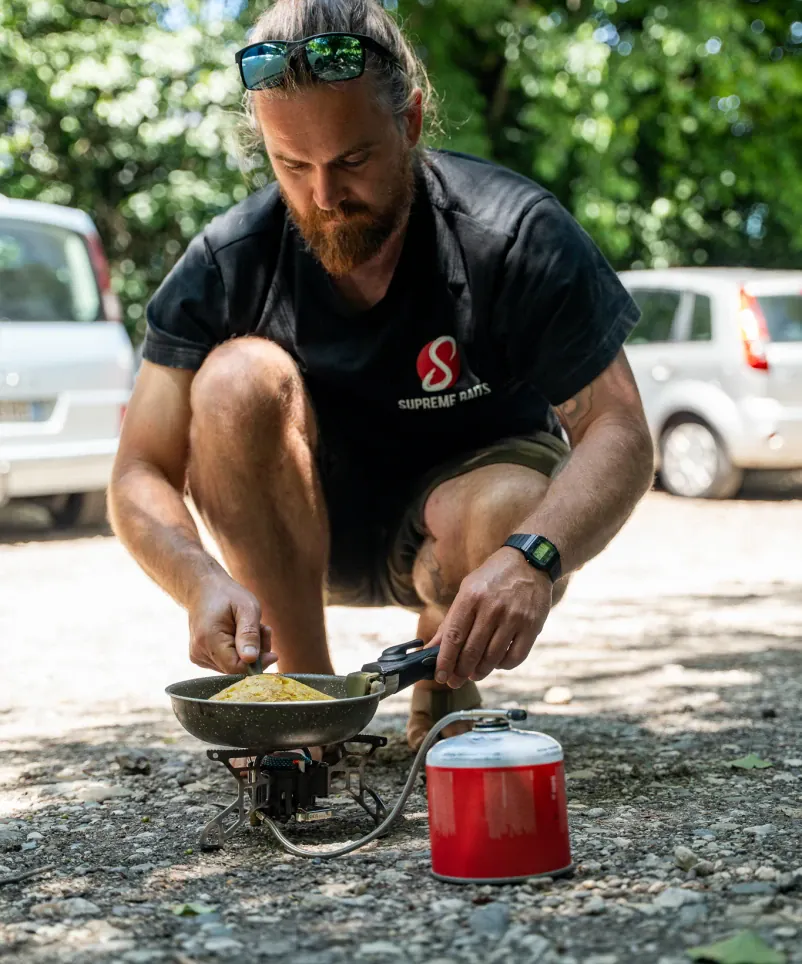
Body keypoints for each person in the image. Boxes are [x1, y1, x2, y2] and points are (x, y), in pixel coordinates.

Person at [109, 0, 654, 749]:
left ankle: (441, 675)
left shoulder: (513, 234)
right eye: (291, 166)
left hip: (465, 532)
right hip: (300, 533)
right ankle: (308, 705)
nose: (324, 197)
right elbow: (139, 469)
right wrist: (198, 581)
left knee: (515, 505)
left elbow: (619, 428)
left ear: (411, 121)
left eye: (352, 161)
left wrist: (533, 557)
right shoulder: (227, 260)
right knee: (234, 378)